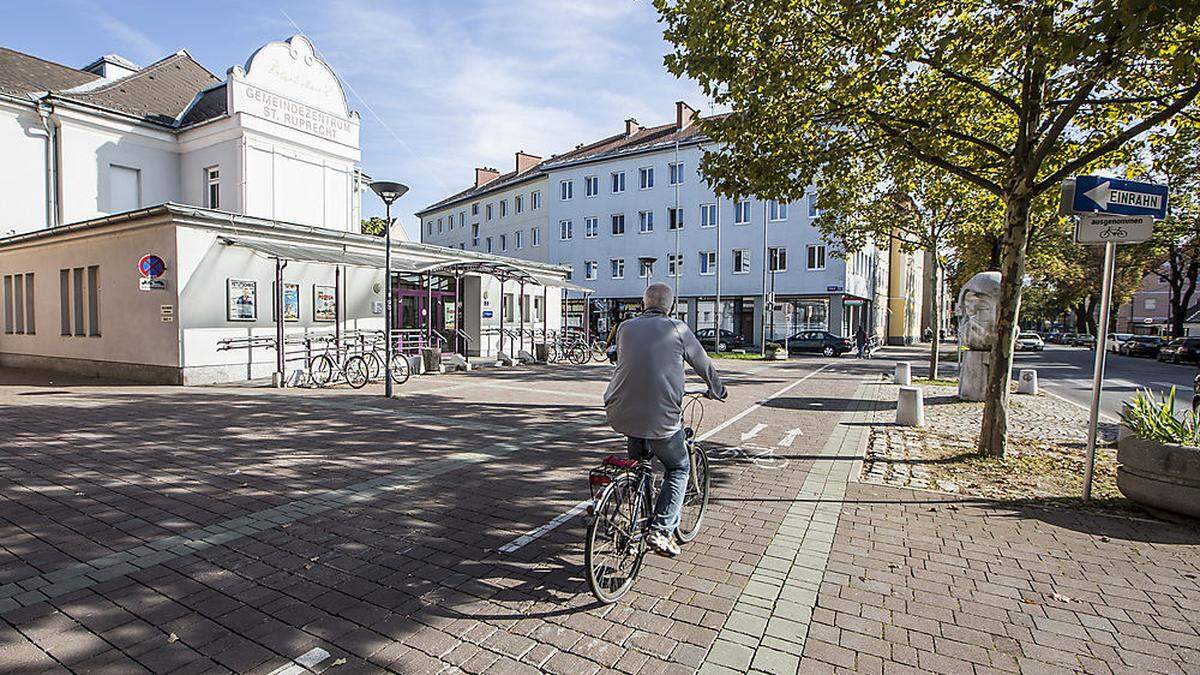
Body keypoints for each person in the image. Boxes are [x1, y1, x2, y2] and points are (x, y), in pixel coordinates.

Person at [604, 283, 727, 557]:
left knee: (639, 464)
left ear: (643, 303)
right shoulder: (678, 328)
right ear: (671, 306)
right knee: (678, 467)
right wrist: (717, 389)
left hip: (620, 412)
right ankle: (660, 530)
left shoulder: (625, 328)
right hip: (661, 418)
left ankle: (635, 508)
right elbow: (703, 363)